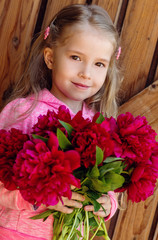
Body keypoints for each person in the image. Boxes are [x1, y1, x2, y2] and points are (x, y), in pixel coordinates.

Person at [0, 4, 122, 240]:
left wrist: (108, 205)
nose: (86, 72)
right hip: (16, 234)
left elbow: (109, 185)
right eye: (76, 57)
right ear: (50, 57)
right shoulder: (24, 112)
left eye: (99, 64)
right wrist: (39, 196)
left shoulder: (100, 126)